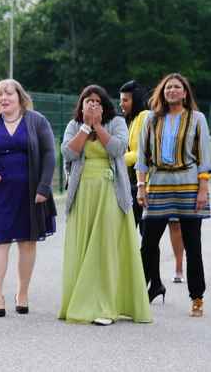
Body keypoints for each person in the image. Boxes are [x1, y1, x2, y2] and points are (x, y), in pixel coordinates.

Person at [59, 85, 151, 325]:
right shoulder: (73, 126)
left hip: (110, 192)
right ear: (81, 104)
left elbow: (119, 149)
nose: (92, 104)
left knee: (104, 247)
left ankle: (106, 307)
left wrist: (98, 125)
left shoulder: (117, 122)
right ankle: (81, 300)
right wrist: (86, 126)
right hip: (82, 193)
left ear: (105, 105)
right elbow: (68, 154)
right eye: (87, 101)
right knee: (85, 245)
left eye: (96, 101)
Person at [0, 79, 57, 317]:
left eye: (8, 94)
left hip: (30, 193)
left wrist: (44, 187)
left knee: (27, 242)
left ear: (20, 96)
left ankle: (22, 293)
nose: (3, 98)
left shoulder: (37, 121)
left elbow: (50, 154)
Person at [136, 73, 211, 318]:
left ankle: (197, 297)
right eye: (168, 87)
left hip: (188, 185)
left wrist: (203, 189)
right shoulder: (151, 119)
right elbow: (142, 156)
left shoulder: (197, 119)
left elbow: (204, 156)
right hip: (157, 185)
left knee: (193, 245)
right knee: (147, 243)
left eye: (177, 87)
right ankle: (141, 290)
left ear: (185, 92)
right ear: (162, 92)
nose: (172, 91)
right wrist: (140, 185)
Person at [120, 80, 185, 283]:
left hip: (148, 186)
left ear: (136, 100)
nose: (121, 104)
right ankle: (153, 283)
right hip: (133, 185)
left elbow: (143, 154)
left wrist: (116, 160)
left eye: (125, 100)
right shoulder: (130, 120)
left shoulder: (145, 117)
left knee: (147, 238)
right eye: (120, 100)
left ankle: (147, 280)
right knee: (143, 238)